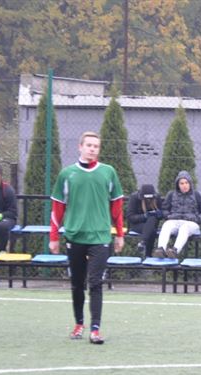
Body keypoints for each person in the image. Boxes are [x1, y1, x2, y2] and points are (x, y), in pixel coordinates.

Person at [49, 131, 124, 345]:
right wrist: (54, 237)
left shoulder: (108, 172)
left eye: (96, 146)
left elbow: (117, 206)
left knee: (96, 282)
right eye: (89, 145)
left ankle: (95, 329)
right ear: (80, 147)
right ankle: (79, 324)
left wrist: (119, 234)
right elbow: (57, 208)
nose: (92, 149)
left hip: (100, 236)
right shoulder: (67, 174)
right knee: (77, 283)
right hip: (75, 236)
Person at [153, 171, 201, 259]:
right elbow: (164, 209)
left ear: (190, 183)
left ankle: (175, 251)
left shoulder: (198, 195)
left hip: (191, 223)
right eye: (182, 183)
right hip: (175, 220)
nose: (184, 185)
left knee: (185, 228)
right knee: (167, 225)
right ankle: (161, 249)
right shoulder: (171, 194)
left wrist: (197, 218)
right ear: (178, 185)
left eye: (186, 183)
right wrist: (168, 216)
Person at [126, 183, 163, 257]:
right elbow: (130, 217)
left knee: (152, 220)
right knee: (151, 229)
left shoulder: (157, 198)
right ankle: (148, 255)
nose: (148, 200)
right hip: (137, 225)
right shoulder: (134, 197)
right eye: (146, 198)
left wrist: (159, 214)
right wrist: (144, 216)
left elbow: (161, 213)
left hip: (152, 225)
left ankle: (143, 243)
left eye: (150, 198)